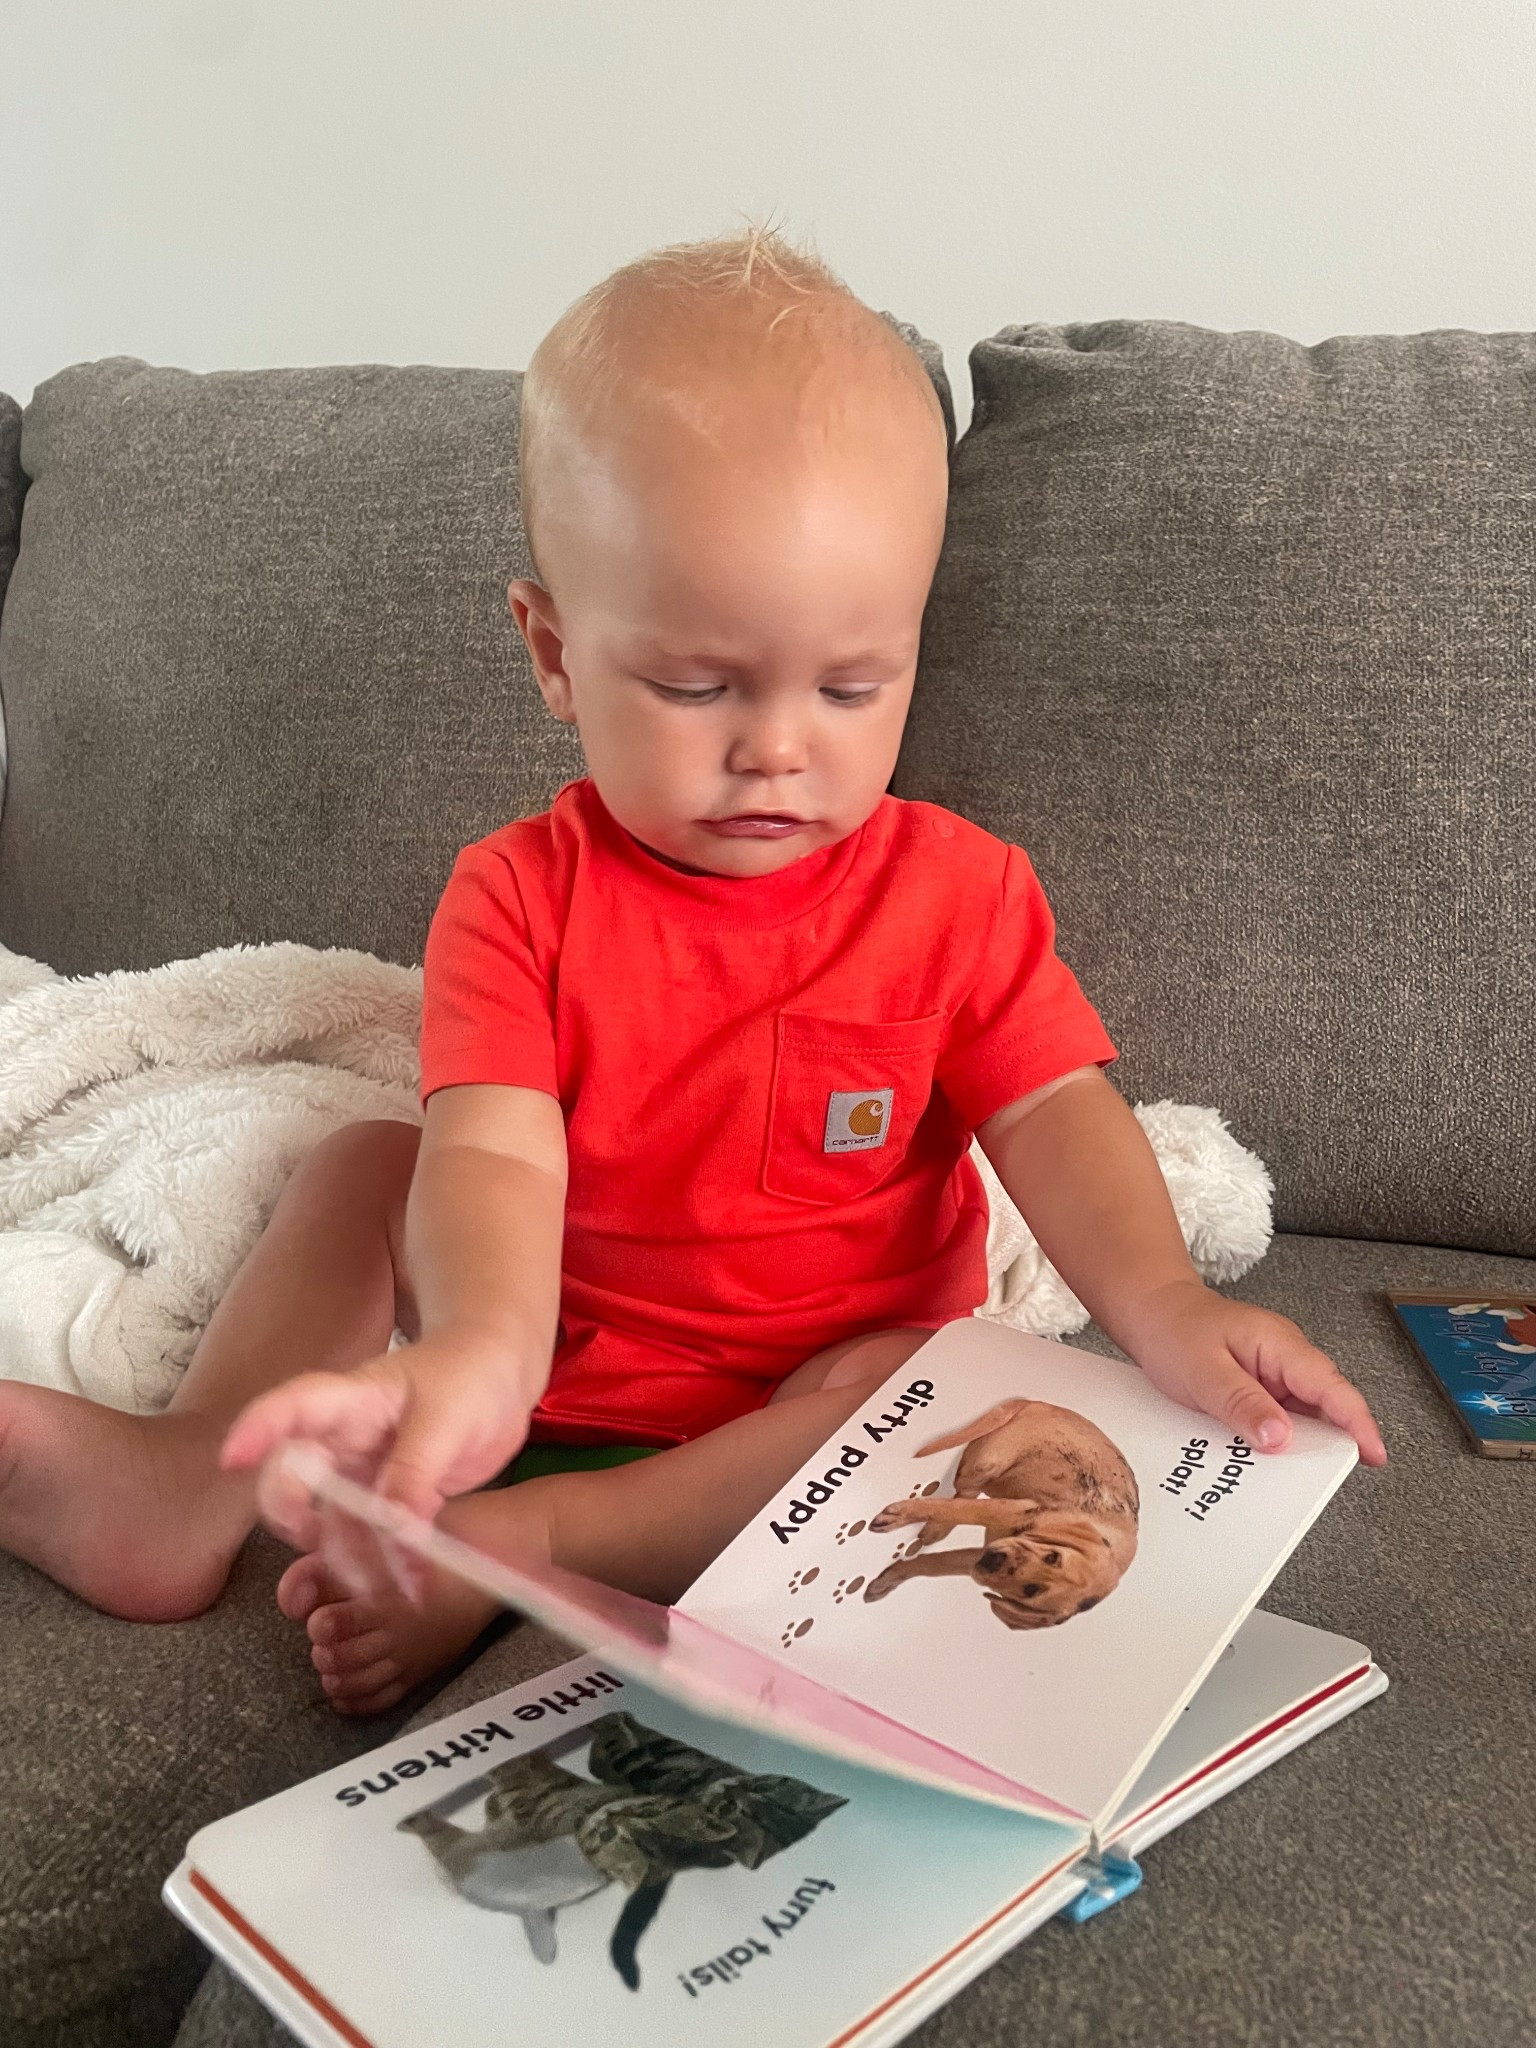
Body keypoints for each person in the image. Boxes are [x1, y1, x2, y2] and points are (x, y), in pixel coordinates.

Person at [0, 230, 1385, 1715]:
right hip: (536, 1363)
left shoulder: (959, 893)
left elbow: (1053, 1107)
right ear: (552, 652)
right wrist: (474, 1355)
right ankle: (190, 1484)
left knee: (940, 1384)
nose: (778, 746)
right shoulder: (518, 896)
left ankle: (517, 1545)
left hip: (807, 1411)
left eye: (854, 687)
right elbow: (497, 1164)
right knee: (357, 1162)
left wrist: (1167, 1308)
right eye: (696, 686)